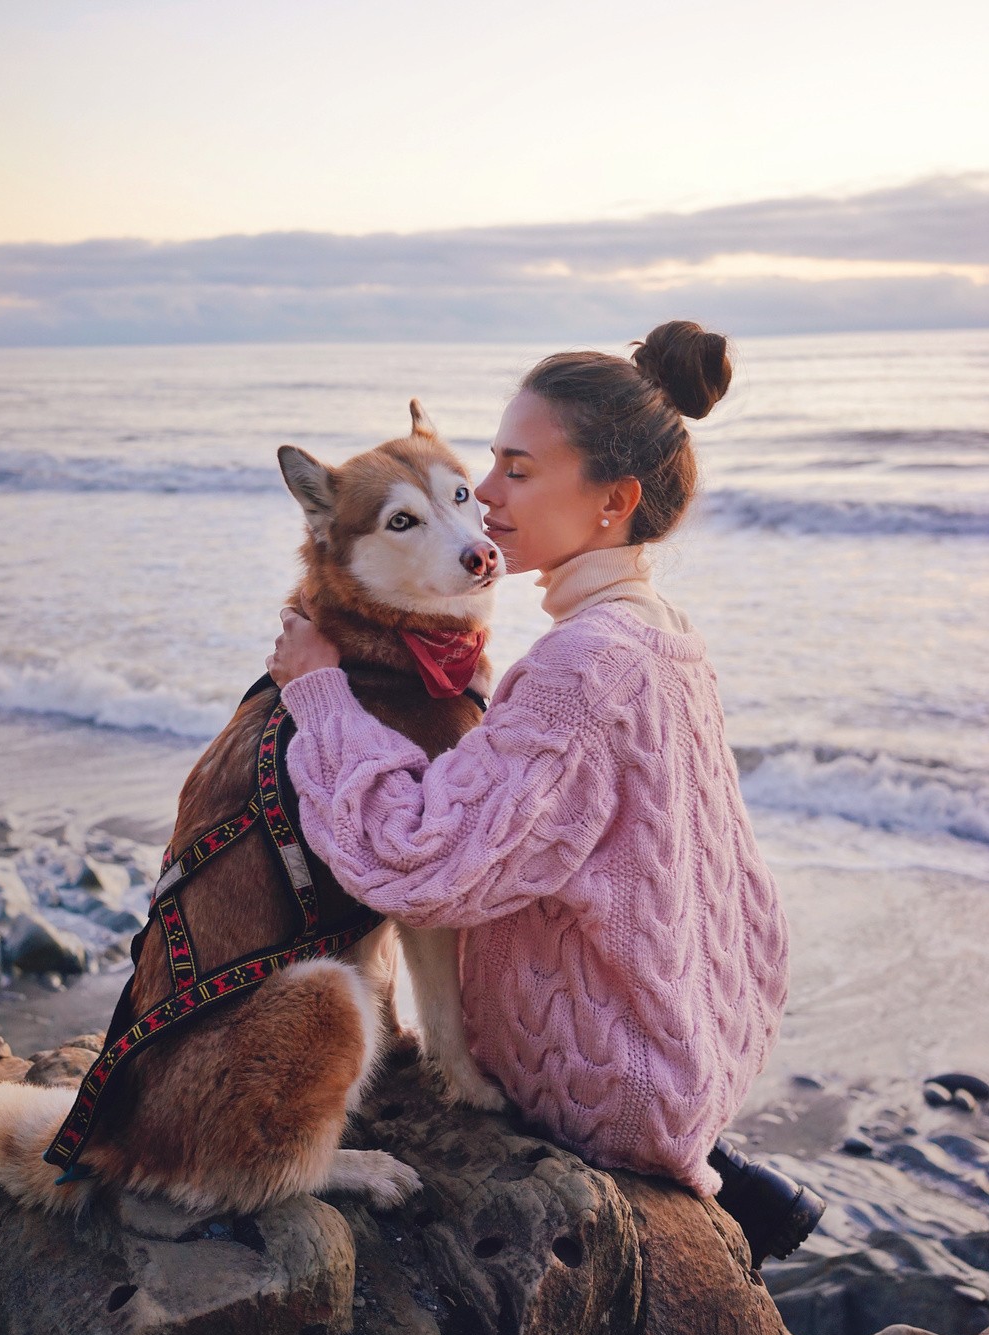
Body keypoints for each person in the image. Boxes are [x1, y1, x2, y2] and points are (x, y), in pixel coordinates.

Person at [268, 320, 824, 1265]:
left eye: (516, 470)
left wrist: (319, 692)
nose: (483, 494)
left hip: (611, 1078)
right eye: (488, 464)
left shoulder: (581, 667)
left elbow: (417, 865)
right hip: (695, 1039)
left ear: (613, 501)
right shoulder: (656, 627)